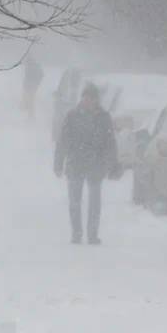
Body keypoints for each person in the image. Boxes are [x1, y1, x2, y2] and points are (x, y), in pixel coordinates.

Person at [54, 83, 119, 245]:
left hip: (95, 165)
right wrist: (58, 162)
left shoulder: (104, 117)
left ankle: (92, 234)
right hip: (75, 164)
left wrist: (113, 163)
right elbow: (62, 141)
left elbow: (110, 142)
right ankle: (76, 233)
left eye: (92, 98)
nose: (88, 101)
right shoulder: (72, 116)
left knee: (95, 203)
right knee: (75, 202)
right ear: (82, 98)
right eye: (86, 97)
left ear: (97, 100)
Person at [21, 55, 44, 120]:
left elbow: (29, 77)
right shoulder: (32, 66)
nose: (25, 64)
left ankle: (31, 116)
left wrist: (34, 84)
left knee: (30, 101)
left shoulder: (32, 67)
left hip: (31, 87)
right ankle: (28, 114)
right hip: (30, 86)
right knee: (29, 101)